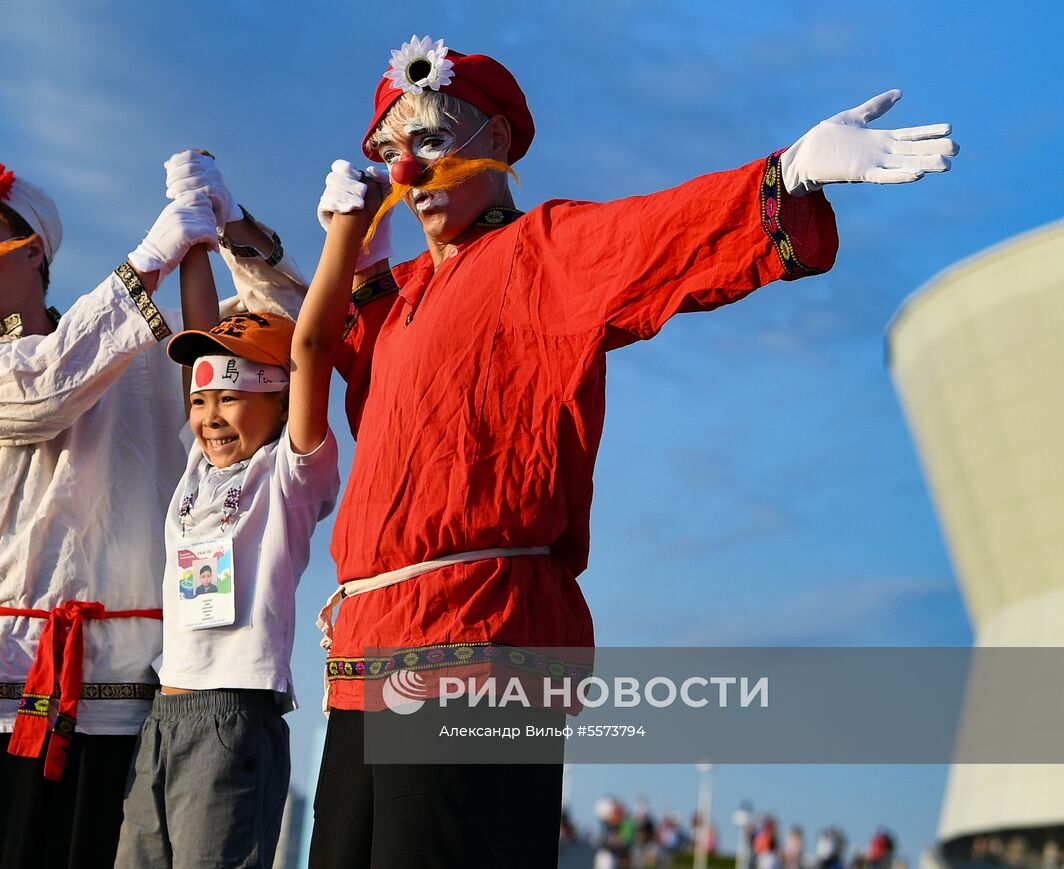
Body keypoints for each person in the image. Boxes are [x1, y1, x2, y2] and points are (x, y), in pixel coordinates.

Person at [308, 34, 957, 869]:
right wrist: (335, 251)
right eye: (392, 152)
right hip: (366, 651)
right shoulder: (397, 297)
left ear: (496, 144)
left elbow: (657, 235)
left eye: (430, 141)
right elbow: (322, 372)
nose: (406, 172)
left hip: (475, 640)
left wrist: (784, 172)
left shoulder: (542, 252)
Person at [0, 156, 306, 869]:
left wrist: (235, 229)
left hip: (132, 703)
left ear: (33, 249)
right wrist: (151, 258)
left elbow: (291, 331)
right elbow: (42, 386)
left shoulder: (152, 347)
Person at [115, 163, 374, 869]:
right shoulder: (200, 467)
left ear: (276, 399)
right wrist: (194, 220)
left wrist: (346, 231)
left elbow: (314, 347)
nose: (209, 417)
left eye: (229, 399)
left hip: (236, 717)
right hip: (164, 714)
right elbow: (201, 339)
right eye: (200, 403)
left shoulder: (289, 471)